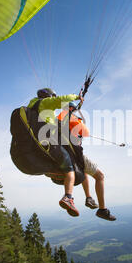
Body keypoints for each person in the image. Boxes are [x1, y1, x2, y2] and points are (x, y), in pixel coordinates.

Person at [27, 88, 84, 218]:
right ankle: (68, 198)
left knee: (60, 162)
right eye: (52, 96)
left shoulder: (32, 107)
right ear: (48, 96)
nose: (53, 98)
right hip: (49, 141)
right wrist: (77, 96)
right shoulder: (45, 103)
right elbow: (62, 100)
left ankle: (54, 172)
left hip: (37, 143)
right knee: (70, 169)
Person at [57, 102, 117, 221]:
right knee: (100, 176)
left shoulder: (57, 119)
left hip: (63, 154)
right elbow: (85, 132)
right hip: (73, 153)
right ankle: (102, 209)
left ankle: (89, 197)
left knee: (83, 169)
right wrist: (79, 120)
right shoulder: (69, 117)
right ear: (71, 109)